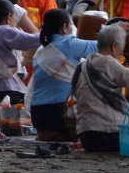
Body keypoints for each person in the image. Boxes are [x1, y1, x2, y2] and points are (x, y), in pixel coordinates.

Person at [71, 24, 129, 152]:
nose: (120, 56)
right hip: (105, 135)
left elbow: (77, 92)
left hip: (86, 136)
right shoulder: (107, 62)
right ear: (114, 46)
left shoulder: (83, 66)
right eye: (121, 51)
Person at [29, 9, 99, 142]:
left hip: (37, 115)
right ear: (65, 28)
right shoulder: (68, 43)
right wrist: (115, 28)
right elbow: (103, 46)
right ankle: (64, 134)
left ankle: (50, 133)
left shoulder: (40, 51)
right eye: (71, 26)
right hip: (59, 113)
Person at [0, 0, 42, 136]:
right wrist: (49, 34)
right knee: (28, 113)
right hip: (3, 94)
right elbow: (31, 40)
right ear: (9, 17)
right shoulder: (5, 31)